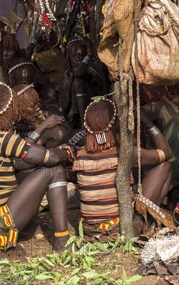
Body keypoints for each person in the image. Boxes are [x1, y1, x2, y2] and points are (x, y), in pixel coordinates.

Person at [0, 83, 73, 252]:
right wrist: (68, 152)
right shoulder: (5, 139)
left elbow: (19, 165)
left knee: (29, 175)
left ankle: (29, 228)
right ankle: (62, 241)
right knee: (54, 170)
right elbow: (51, 158)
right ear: (11, 111)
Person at [73, 98, 173, 239]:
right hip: (119, 228)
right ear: (115, 125)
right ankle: (141, 222)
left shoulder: (79, 153)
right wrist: (148, 122)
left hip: (90, 229)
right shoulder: (125, 153)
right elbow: (166, 152)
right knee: (164, 167)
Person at [59, 38, 108, 129]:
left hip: (97, 110)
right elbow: (63, 103)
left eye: (81, 55)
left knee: (78, 82)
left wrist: (88, 57)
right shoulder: (66, 76)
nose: (78, 58)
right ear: (68, 57)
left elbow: (79, 73)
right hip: (73, 119)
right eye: (74, 55)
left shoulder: (93, 67)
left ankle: (84, 125)